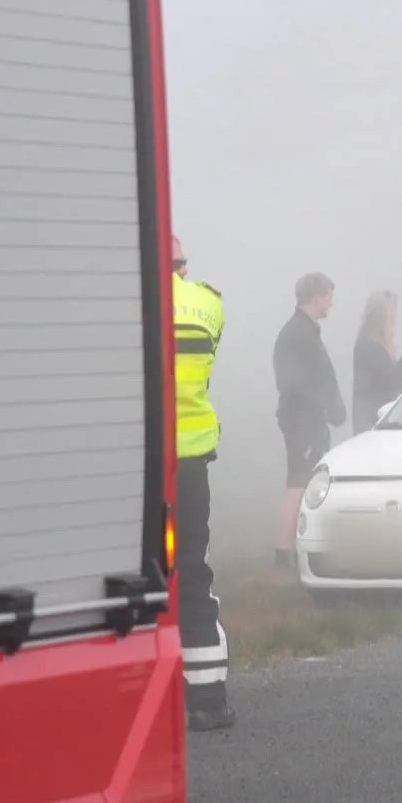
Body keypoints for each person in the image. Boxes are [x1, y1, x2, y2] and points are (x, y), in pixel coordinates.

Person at [170, 237, 234, 732]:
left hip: (139, 465)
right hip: (191, 464)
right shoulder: (208, 303)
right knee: (192, 572)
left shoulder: (129, 300)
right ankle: (208, 699)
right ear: (183, 266)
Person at [273, 272, 345, 569]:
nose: (331, 301)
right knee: (299, 484)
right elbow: (292, 384)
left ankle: (296, 549)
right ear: (315, 297)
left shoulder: (307, 331)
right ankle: (282, 553)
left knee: (305, 482)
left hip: (311, 420)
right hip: (302, 422)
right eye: (328, 295)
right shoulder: (296, 334)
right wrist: (320, 411)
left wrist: (332, 409)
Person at [351, 290, 402, 434]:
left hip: (377, 423)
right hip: (374, 424)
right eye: (392, 315)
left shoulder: (372, 344)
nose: (394, 319)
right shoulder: (370, 347)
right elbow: (391, 381)